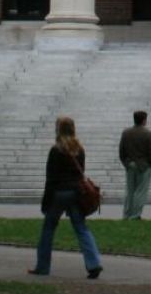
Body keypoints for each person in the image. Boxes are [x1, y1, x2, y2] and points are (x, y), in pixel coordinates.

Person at [30, 115, 103, 278]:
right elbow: (81, 172)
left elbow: (51, 177)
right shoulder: (79, 149)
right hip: (76, 192)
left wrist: (46, 201)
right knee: (81, 228)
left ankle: (43, 266)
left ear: (59, 130)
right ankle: (94, 263)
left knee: (48, 228)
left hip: (59, 192)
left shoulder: (56, 150)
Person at [119, 109, 151, 219]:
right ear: (144, 120)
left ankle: (127, 214)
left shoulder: (126, 133)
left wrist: (126, 163)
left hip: (130, 165)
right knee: (140, 191)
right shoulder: (148, 134)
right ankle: (135, 215)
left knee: (129, 191)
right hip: (144, 166)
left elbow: (121, 151)